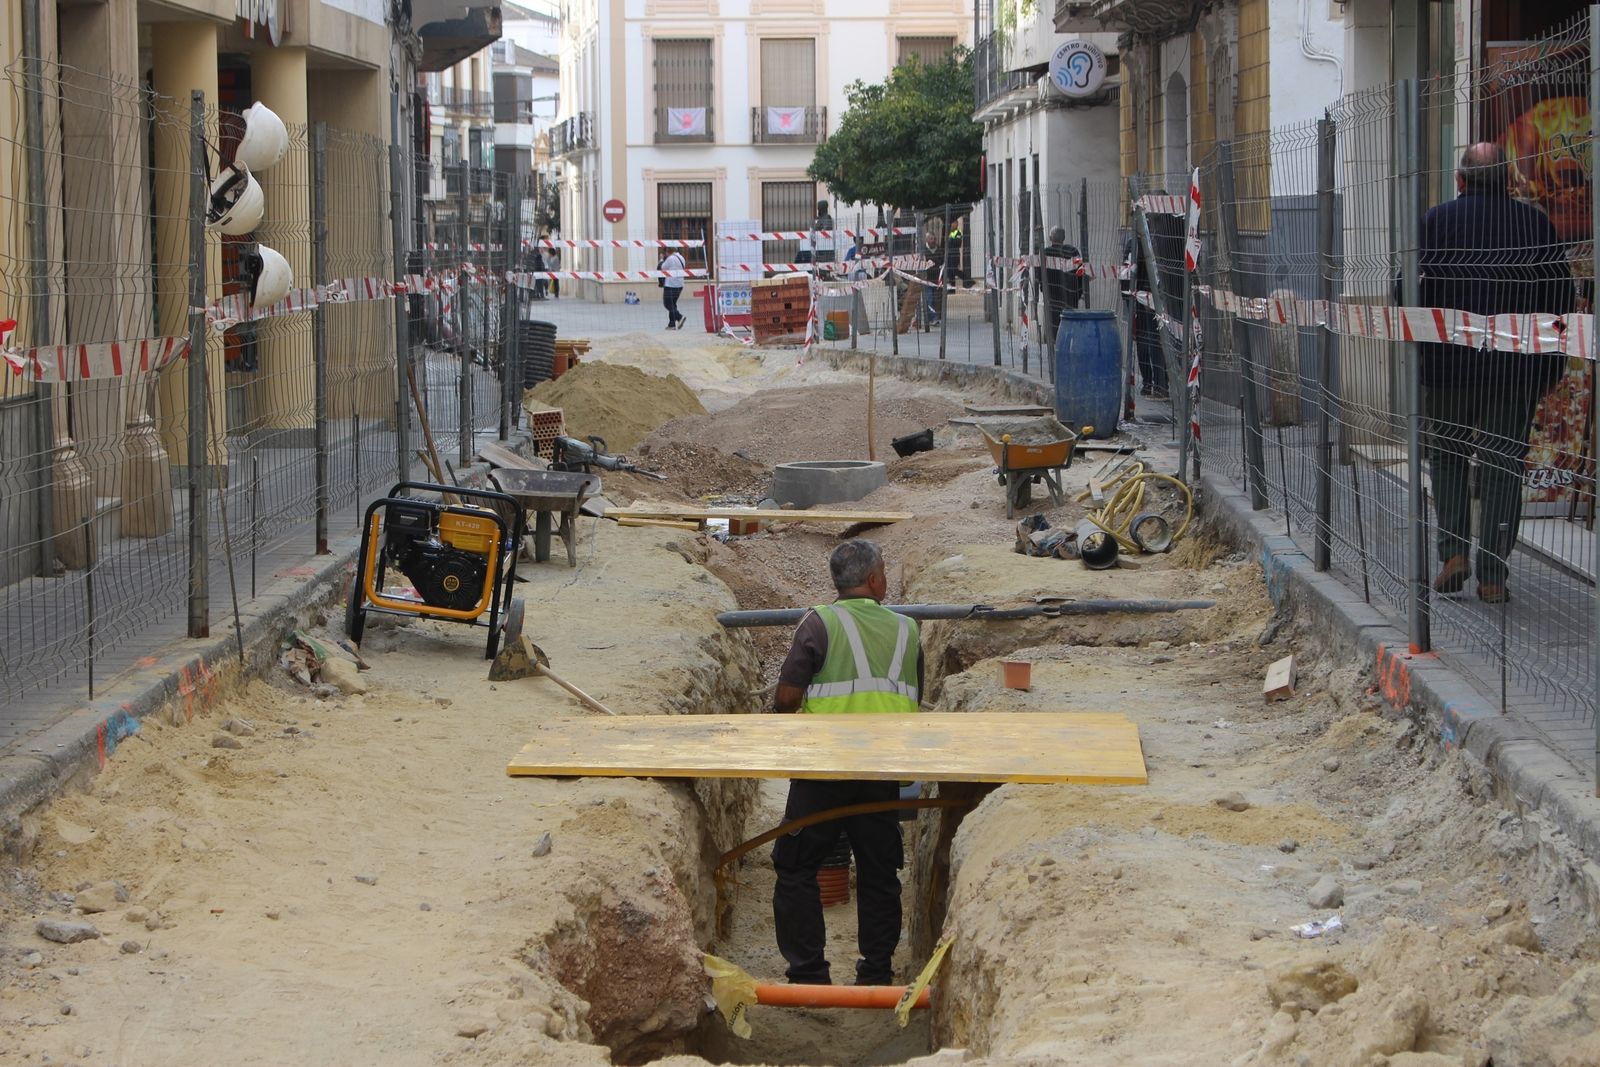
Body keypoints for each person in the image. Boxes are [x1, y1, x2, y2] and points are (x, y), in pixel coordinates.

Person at [1419, 142, 1573, 604]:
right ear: (1509, 180)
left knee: (1447, 456)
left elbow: (1409, 289)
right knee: (1503, 464)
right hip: (1516, 368)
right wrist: (1551, 366)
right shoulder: (1535, 224)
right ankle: (1492, 575)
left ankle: (1453, 554)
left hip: (1449, 366)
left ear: (1460, 179)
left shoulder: (1435, 222)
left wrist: (1422, 353)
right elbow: (1560, 299)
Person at [771, 540, 922, 987]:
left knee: (796, 868)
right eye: (885, 571)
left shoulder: (818, 624)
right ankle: (875, 974)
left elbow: (787, 698)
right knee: (879, 872)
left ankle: (809, 976)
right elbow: (914, 696)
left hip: (824, 768)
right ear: (874, 579)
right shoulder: (908, 630)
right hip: (882, 771)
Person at [1121, 234, 1169, 398]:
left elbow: (1125, 274)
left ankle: (1150, 383)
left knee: (1146, 340)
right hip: (1159, 299)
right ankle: (1161, 384)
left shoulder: (1133, 243)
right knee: (1157, 341)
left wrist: (1128, 299)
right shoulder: (1160, 239)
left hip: (1141, 299)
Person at [1038, 226, 1085, 352]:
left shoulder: (1045, 253)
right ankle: (1069, 348)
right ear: (1063, 238)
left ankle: (1056, 351)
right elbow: (1080, 273)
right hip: (1070, 296)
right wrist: (1078, 292)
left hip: (1052, 296)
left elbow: (1039, 275)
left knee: (1054, 325)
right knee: (1069, 324)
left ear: (1050, 238)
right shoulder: (1072, 251)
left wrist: (1043, 289)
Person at [919, 228, 942, 328]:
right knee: (929, 299)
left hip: (937, 280)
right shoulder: (923, 251)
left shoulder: (939, 250)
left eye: (934, 239)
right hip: (927, 280)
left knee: (936, 299)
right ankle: (932, 318)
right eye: (931, 239)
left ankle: (934, 317)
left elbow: (942, 263)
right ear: (927, 240)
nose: (933, 241)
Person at [660, 246, 687, 329]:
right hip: (680, 284)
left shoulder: (670, 258)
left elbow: (663, 268)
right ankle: (671, 324)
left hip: (670, 285)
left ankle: (679, 317)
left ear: (668, 251)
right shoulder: (681, 257)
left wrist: (661, 259)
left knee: (667, 304)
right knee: (673, 304)